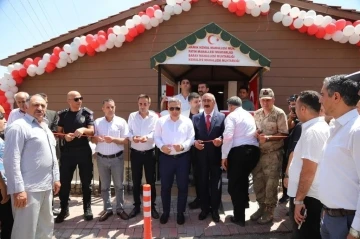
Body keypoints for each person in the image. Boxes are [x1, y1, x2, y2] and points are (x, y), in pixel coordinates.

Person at [3, 94, 60, 239]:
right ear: (26, 106)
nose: (39, 108)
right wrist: (18, 190)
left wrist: (56, 178)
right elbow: (11, 160)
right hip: (27, 190)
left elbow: (52, 155)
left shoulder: (45, 127)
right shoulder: (18, 127)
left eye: (42, 105)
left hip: (46, 187)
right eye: (35, 105)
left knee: (45, 228)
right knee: (25, 232)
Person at [318, 74, 360, 239]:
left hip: (348, 222)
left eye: (322, 94)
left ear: (336, 96)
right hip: (330, 217)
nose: (320, 100)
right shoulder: (336, 127)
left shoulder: (356, 131)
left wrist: (356, 230)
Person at [287, 91, 329, 239]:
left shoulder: (313, 132)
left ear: (303, 109)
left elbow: (309, 170)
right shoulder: (315, 128)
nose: (294, 111)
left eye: (296, 107)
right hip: (308, 196)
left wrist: (299, 200)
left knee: (305, 234)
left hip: (308, 198)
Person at [55, 91, 94, 223]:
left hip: (83, 151)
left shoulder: (86, 113)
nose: (79, 101)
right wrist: (64, 136)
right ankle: (64, 209)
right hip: (68, 152)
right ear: (69, 100)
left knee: (86, 183)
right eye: (76, 99)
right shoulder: (63, 114)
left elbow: (92, 131)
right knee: (64, 183)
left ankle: (87, 209)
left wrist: (83, 130)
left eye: (80, 98)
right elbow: (58, 132)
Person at [154, 98, 194, 225]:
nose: (174, 111)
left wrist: (183, 146)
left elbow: (191, 138)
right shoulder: (161, 121)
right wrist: (161, 146)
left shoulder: (187, 121)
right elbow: (156, 137)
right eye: (171, 108)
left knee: (183, 187)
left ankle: (180, 213)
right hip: (166, 159)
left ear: (181, 108)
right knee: (165, 187)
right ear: (168, 108)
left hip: (183, 158)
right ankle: (166, 212)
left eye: (177, 108)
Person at [251, 88, 288, 224]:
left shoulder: (279, 113)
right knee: (258, 182)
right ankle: (261, 207)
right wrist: (257, 132)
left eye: (268, 100)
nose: (265, 103)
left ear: (273, 100)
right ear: (259, 100)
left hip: (273, 154)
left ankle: (270, 211)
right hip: (259, 154)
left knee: (271, 184)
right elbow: (256, 129)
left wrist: (268, 138)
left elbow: (284, 133)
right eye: (263, 100)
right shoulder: (257, 113)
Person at [221, 96, 260, 226]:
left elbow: (227, 136)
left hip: (239, 152)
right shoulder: (249, 116)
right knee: (242, 181)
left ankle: (239, 218)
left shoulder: (231, 116)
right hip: (253, 152)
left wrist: (224, 156)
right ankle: (243, 207)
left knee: (234, 186)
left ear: (230, 106)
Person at [91, 99, 130, 222]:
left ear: (115, 107)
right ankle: (107, 209)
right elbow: (92, 139)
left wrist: (113, 139)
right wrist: (96, 138)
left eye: (112, 107)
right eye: (107, 107)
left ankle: (120, 209)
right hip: (102, 158)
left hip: (116, 158)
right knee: (105, 187)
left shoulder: (121, 122)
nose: (110, 109)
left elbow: (125, 140)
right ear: (103, 109)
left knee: (119, 186)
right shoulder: (97, 122)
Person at [193, 93, 225, 222]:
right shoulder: (195, 118)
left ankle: (215, 210)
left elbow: (226, 134)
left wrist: (221, 139)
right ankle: (205, 209)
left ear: (214, 102)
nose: (206, 102)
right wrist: (194, 142)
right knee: (203, 183)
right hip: (200, 158)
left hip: (216, 157)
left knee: (216, 185)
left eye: (209, 100)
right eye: (204, 100)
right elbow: (191, 136)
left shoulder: (222, 117)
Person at [127, 94, 159, 219]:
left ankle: (152, 207)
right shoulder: (132, 116)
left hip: (149, 153)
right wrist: (132, 137)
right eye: (140, 104)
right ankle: (136, 206)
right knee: (136, 181)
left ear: (149, 104)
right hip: (135, 153)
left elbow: (156, 133)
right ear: (138, 104)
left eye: (145, 104)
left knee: (150, 181)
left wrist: (148, 137)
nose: (142, 106)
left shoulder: (154, 117)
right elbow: (128, 132)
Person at [38, 93, 61, 216]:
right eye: (39, 103)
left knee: (51, 180)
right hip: (36, 158)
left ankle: (50, 206)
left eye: (45, 103)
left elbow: (56, 131)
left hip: (51, 152)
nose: (42, 106)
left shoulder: (53, 114)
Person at [183, 92, 202, 210]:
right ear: (189, 103)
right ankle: (182, 199)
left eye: (199, 101)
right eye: (196, 102)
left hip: (199, 151)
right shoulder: (183, 115)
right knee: (184, 175)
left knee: (198, 175)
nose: (198, 104)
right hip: (185, 150)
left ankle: (199, 199)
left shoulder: (204, 114)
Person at [279, 94, 300, 204]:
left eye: (295, 105)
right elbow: (285, 130)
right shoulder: (287, 116)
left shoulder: (303, 117)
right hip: (287, 149)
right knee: (285, 172)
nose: (293, 107)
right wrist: (291, 118)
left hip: (297, 150)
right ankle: (285, 194)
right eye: (291, 105)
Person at [0, 111, 13, 239]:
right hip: (2, 186)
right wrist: (3, 187)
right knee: (7, 221)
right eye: (2, 118)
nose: (5, 121)